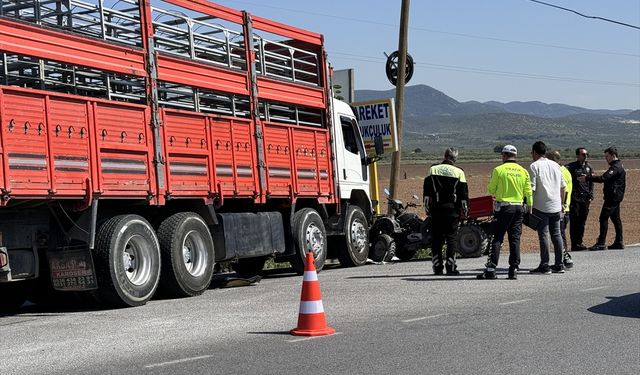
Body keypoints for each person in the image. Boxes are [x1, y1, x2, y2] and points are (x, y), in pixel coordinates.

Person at [477, 145, 532, 280]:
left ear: (504, 155)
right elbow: (528, 191)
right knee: (515, 239)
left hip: (504, 208)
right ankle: (513, 269)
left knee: (497, 238)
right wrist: (529, 205)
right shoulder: (523, 171)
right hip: (519, 208)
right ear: (515, 156)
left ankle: (491, 269)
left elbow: (491, 189)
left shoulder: (499, 170)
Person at [423, 147, 469, 276]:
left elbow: (427, 193)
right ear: (455, 158)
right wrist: (465, 211)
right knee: (451, 239)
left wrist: (428, 209)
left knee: (437, 239)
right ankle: (451, 266)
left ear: (444, 156)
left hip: (437, 210)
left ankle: (437, 267)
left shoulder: (433, 169)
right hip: (452, 211)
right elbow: (463, 196)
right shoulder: (459, 172)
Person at [528, 141, 566, 274]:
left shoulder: (534, 166)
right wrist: (562, 203)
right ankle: (559, 264)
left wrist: (529, 205)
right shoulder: (556, 165)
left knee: (544, 235)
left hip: (541, 206)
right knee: (557, 235)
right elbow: (563, 187)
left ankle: (544, 265)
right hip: (556, 205)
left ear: (535, 152)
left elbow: (531, 188)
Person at [578, 146, 626, 250]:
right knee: (615, 218)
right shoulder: (618, 165)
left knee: (603, 218)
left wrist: (587, 178)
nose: (606, 159)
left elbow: (603, 178)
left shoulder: (616, 167)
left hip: (612, 197)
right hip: (615, 196)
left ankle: (601, 242)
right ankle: (619, 241)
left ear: (613, 156)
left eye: (607, 156)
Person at [548, 151, 574, 269]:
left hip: (560, 208)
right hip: (565, 207)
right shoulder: (566, 171)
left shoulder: (558, 171)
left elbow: (562, 190)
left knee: (559, 235)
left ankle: (565, 258)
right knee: (561, 234)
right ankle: (564, 258)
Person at [565, 147, 593, 251]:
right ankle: (574, 244)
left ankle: (580, 242)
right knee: (574, 221)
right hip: (575, 198)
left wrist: (591, 195)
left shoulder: (589, 167)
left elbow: (591, 182)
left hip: (585, 198)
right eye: (583, 154)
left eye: (586, 154)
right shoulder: (571, 167)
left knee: (582, 221)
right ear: (577, 155)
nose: (585, 156)